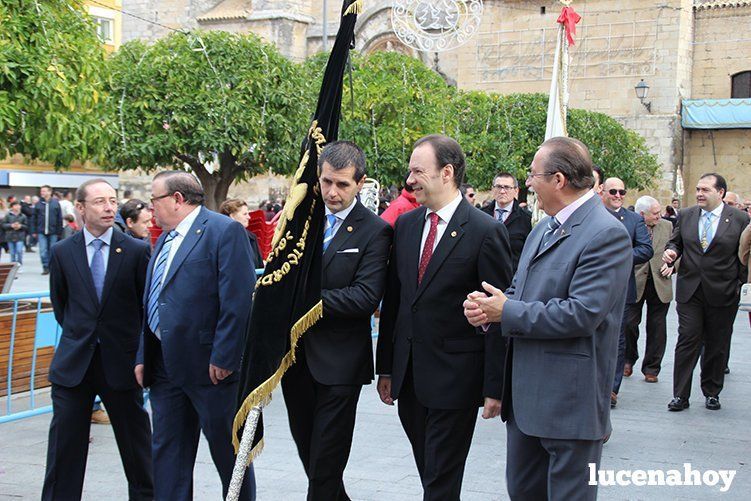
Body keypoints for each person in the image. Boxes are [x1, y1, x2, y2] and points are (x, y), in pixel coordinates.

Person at [463, 136, 632, 501]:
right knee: (523, 492)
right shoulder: (544, 227)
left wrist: (505, 311)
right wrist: (491, 308)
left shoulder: (607, 234)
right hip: (526, 401)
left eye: (532, 174)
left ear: (558, 180)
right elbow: (522, 293)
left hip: (570, 404)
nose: (527, 182)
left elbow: (581, 313)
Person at [376, 135, 513, 500]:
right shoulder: (405, 227)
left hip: (456, 381)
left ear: (447, 173)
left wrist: (493, 387)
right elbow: (397, 302)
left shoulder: (486, 232)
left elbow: (498, 313)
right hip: (410, 382)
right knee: (431, 474)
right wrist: (386, 368)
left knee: (440, 481)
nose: (410, 180)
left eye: (418, 171)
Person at [135, 171, 256, 500]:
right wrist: (143, 355)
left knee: (228, 454)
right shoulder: (164, 238)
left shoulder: (223, 231)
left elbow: (238, 299)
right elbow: (153, 299)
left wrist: (225, 356)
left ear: (177, 199)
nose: (150, 208)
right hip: (165, 368)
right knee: (169, 455)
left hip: (211, 370)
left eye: (154, 200)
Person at [282, 141, 392, 500]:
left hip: (341, 367)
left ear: (360, 182)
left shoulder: (374, 231)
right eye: (326, 182)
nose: (332, 191)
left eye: (342, 184)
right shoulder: (301, 221)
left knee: (326, 463)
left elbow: (364, 297)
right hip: (295, 363)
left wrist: (305, 302)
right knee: (311, 459)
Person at [42, 179, 153, 500]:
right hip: (74, 366)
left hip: (121, 366)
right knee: (64, 451)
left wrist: (142, 356)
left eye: (112, 201)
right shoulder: (63, 252)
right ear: (80, 208)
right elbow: (63, 306)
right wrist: (84, 336)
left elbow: (146, 308)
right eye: (100, 202)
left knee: (138, 450)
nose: (108, 208)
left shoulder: (135, 250)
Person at [663, 173, 749, 411]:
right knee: (687, 339)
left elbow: (744, 255)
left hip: (723, 291)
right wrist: (671, 253)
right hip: (690, 291)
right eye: (698, 189)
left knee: (717, 343)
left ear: (720, 193)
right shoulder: (687, 215)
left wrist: (739, 285)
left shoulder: (739, 218)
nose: (699, 194)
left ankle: (712, 392)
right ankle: (680, 394)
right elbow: (675, 243)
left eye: (705, 190)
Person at [600, 177, 653, 408]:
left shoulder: (633, 220)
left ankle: (612, 388)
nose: (618, 195)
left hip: (621, 287)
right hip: (592, 285)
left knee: (618, 338)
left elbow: (646, 249)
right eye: (613, 191)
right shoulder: (593, 215)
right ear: (602, 191)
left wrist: (620, 256)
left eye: (622, 191)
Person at [625, 196, 675, 383]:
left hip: (660, 282)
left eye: (659, 212)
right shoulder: (629, 224)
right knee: (629, 324)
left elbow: (677, 247)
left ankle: (652, 368)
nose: (659, 216)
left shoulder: (668, 226)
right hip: (635, 281)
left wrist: (673, 266)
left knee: (657, 327)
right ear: (641, 214)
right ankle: (628, 360)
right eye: (655, 213)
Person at [481, 172, 532, 273]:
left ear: (516, 191)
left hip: (512, 280)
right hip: (484, 278)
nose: (502, 191)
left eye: (507, 187)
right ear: (493, 189)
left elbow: (528, 253)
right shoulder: (481, 215)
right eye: (499, 187)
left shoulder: (526, 218)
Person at [218, 198, 264, 269]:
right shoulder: (218, 239)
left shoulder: (252, 238)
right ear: (232, 216)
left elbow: (259, 265)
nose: (249, 217)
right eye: (245, 214)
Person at [32, 185, 63, 275]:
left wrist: (59, 231)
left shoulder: (55, 203)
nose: (42, 193)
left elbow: (59, 218)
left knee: (52, 250)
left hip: (53, 231)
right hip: (41, 231)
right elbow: (34, 218)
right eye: (41, 191)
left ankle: (52, 267)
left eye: (44, 191)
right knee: (43, 250)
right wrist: (33, 231)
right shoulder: (38, 204)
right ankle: (45, 267)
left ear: (50, 192)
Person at [2, 201, 28, 269]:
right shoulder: (8, 215)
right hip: (10, 236)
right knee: (12, 253)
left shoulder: (23, 216)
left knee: (19, 251)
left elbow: (26, 226)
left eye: (18, 205)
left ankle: (19, 265)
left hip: (20, 236)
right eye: (15, 205)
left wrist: (20, 226)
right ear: (12, 207)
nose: (17, 207)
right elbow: (3, 225)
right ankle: (12, 267)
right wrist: (11, 225)